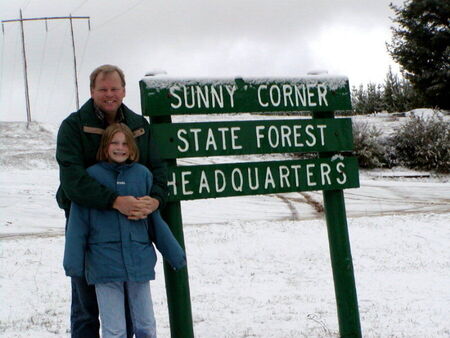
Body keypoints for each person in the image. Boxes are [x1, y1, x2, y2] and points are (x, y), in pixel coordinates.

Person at [56, 65, 168, 337]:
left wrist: (154, 201)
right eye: (103, 89)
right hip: (88, 225)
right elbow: (73, 181)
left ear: (124, 91)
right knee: (86, 304)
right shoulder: (73, 126)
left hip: (132, 227)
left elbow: (157, 170)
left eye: (114, 89)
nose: (109, 94)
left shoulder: (139, 126)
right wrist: (115, 201)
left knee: (131, 308)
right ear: (92, 91)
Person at [63, 123, 186, 338]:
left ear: (132, 148)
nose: (120, 148)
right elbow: (77, 226)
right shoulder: (91, 177)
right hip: (104, 267)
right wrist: (73, 264)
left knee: (146, 325)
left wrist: (175, 255)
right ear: (105, 146)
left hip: (139, 262)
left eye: (124, 143)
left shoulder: (143, 176)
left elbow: (154, 221)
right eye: (114, 143)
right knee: (115, 329)